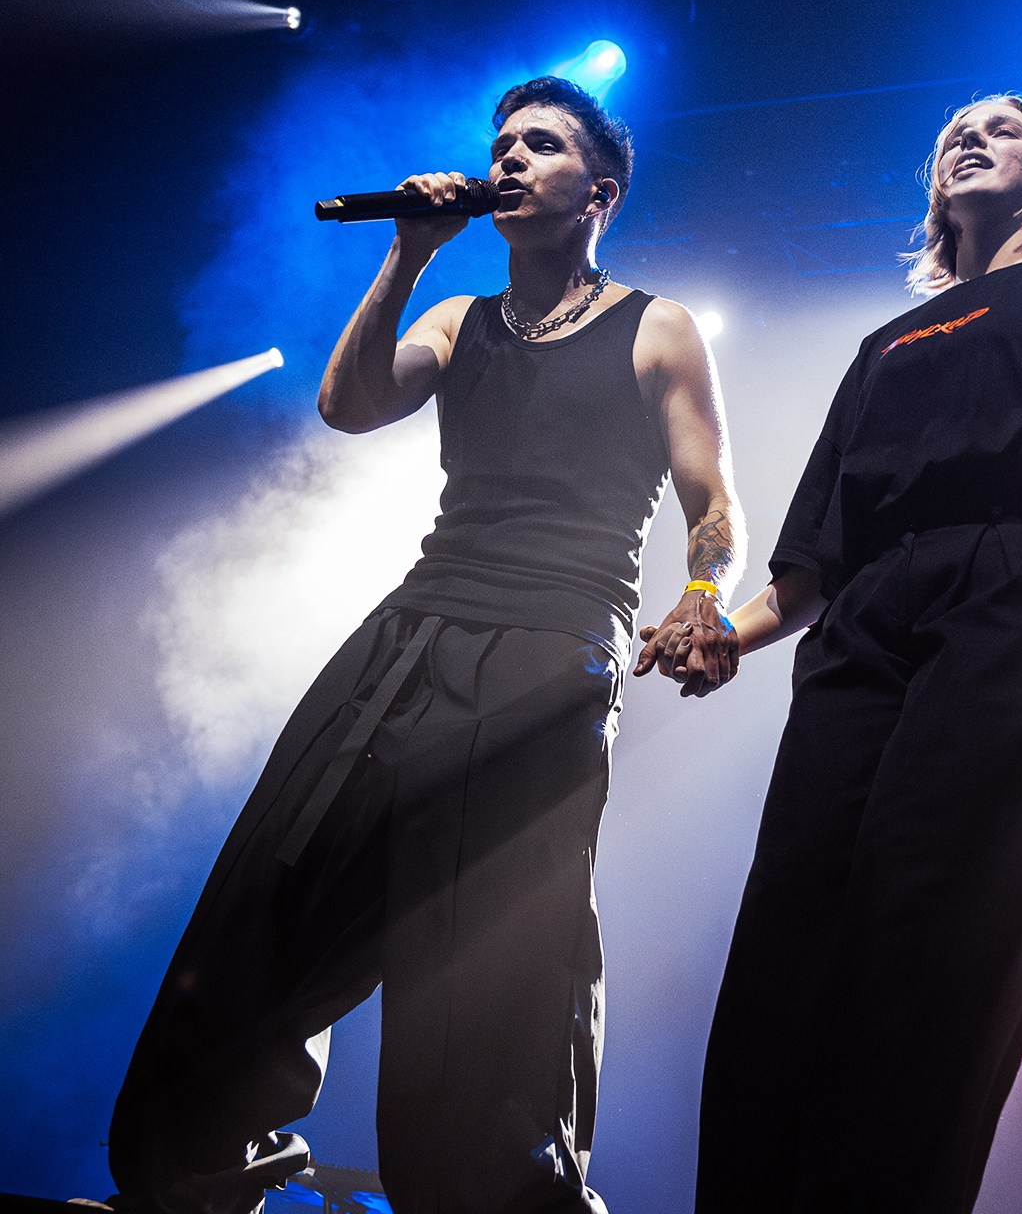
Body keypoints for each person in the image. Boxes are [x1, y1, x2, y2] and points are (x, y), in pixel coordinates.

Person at [106, 76, 744, 1214]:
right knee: (276, 875)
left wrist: (701, 591)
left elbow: (713, 502)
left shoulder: (657, 326)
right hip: (417, 623)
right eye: (500, 143)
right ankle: (201, 1161)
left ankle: (494, 1194)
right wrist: (406, 256)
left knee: (491, 947)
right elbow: (347, 406)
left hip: (553, 644)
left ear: (596, 191)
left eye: (539, 145)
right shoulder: (458, 318)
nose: (508, 157)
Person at [642, 29, 1022, 1211]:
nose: (966, 134)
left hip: (1017, 596)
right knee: (791, 924)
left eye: (1001, 125)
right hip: (867, 623)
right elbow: (813, 557)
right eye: (953, 129)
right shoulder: (881, 343)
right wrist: (722, 635)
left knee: (931, 914)